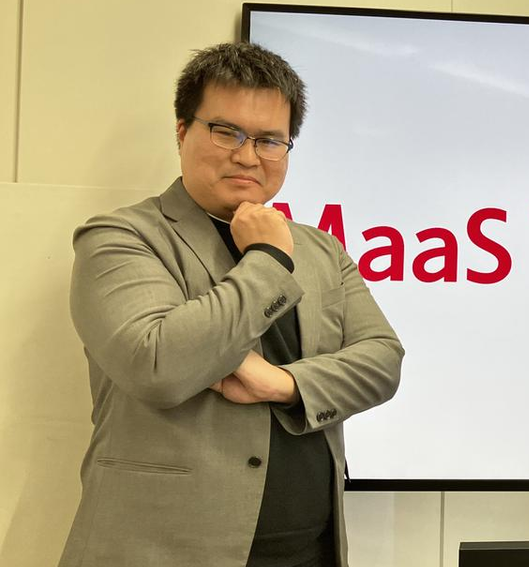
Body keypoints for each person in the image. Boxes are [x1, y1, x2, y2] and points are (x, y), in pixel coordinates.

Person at [59, 42, 403, 567]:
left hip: (310, 551)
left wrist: (284, 384)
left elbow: (382, 361)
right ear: (182, 131)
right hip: (161, 551)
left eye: (270, 140)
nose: (247, 156)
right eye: (227, 132)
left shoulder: (321, 249)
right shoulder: (121, 237)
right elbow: (157, 365)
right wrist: (268, 258)